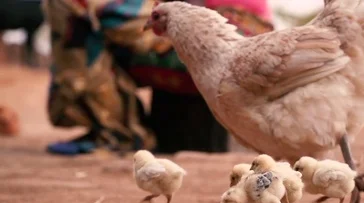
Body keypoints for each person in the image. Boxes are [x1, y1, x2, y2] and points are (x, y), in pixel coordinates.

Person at [43, 0, 273, 156]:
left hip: (226, 44)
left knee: (74, 4)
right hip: (237, 49)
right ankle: (120, 128)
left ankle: (118, 133)